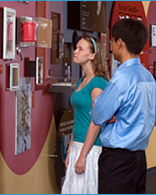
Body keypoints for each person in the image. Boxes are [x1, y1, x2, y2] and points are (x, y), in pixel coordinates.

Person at [89, 19, 156, 194]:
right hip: (139, 158)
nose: (111, 46)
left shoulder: (122, 77)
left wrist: (111, 114)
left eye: (112, 41)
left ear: (120, 42)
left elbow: (98, 115)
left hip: (117, 160)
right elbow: (153, 112)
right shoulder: (148, 77)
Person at [61, 34, 110, 194]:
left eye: (80, 49)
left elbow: (96, 122)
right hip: (77, 146)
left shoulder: (98, 83)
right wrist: (70, 151)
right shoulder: (82, 81)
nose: (75, 51)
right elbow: (78, 118)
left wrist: (83, 156)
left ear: (92, 55)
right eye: (76, 48)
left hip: (90, 149)